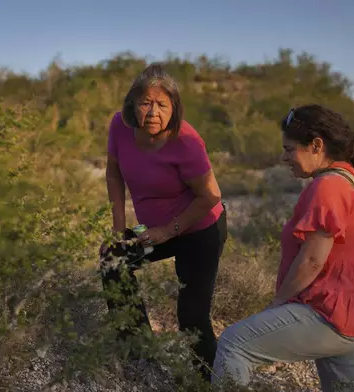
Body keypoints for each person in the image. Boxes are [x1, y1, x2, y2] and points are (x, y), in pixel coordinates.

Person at [212, 104, 354, 392]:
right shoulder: (353, 180)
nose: (284, 157)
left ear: (316, 145)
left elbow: (311, 261)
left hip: (332, 315)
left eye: (289, 149)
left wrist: (278, 302)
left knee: (234, 345)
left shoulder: (328, 186)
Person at [100, 63, 228, 382]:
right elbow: (114, 171)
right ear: (132, 105)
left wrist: (166, 231)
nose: (153, 112)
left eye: (162, 104)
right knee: (114, 258)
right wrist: (119, 228)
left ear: (175, 108)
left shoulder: (186, 141)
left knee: (192, 317)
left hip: (199, 229)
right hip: (154, 232)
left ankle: (209, 382)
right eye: (146, 103)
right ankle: (138, 354)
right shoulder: (119, 126)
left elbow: (210, 196)